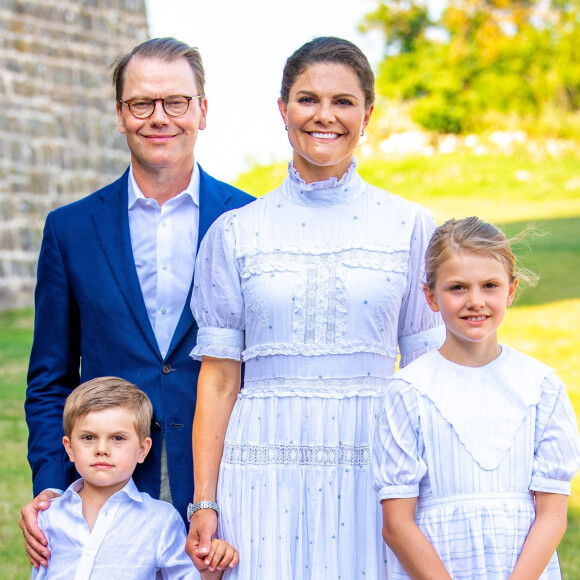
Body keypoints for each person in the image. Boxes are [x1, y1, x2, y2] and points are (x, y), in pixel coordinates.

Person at [185, 37, 444, 578]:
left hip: (376, 462)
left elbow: (429, 377)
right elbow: (218, 380)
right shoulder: (236, 232)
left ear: (368, 114)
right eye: (307, 99)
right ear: (283, 110)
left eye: (344, 102)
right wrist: (204, 502)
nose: (324, 116)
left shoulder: (411, 227)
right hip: (260, 462)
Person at [21, 37, 254, 570]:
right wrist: (51, 485)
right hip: (108, 481)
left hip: (224, 476)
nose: (159, 117)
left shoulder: (249, 219)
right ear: (120, 114)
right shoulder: (70, 229)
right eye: (141, 103)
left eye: (176, 101)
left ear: (202, 110)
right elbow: (49, 377)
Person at [373, 217, 580, 579]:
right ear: (431, 297)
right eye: (457, 288)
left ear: (511, 291)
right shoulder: (408, 391)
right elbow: (397, 524)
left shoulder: (540, 387)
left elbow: (552, 513)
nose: (475, 301)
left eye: (490, 286)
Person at [32, 377, 238, 579]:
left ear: (142, 449)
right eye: (88, 437)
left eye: (118, 438)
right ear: (69, 448)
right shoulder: (48, 516)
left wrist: (212, 566)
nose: (101, 449)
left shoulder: (160, 520)